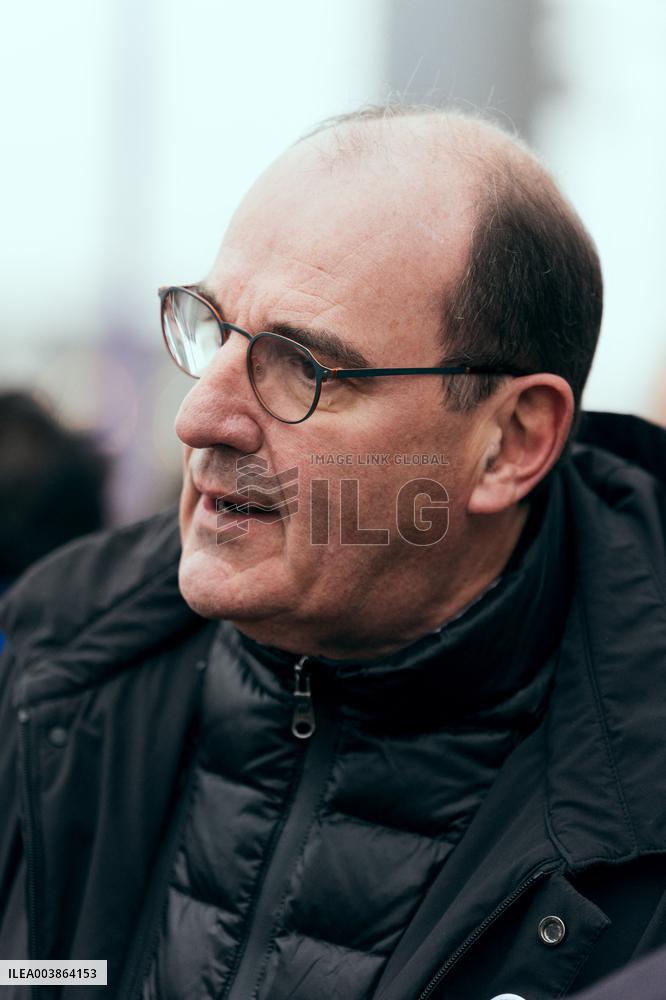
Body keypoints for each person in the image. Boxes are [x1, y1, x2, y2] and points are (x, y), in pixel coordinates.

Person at [0, 106, 664, 1000]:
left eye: (302, 368)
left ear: (510, 442)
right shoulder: (58, 654)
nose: (199, 417)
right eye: (210, 328)